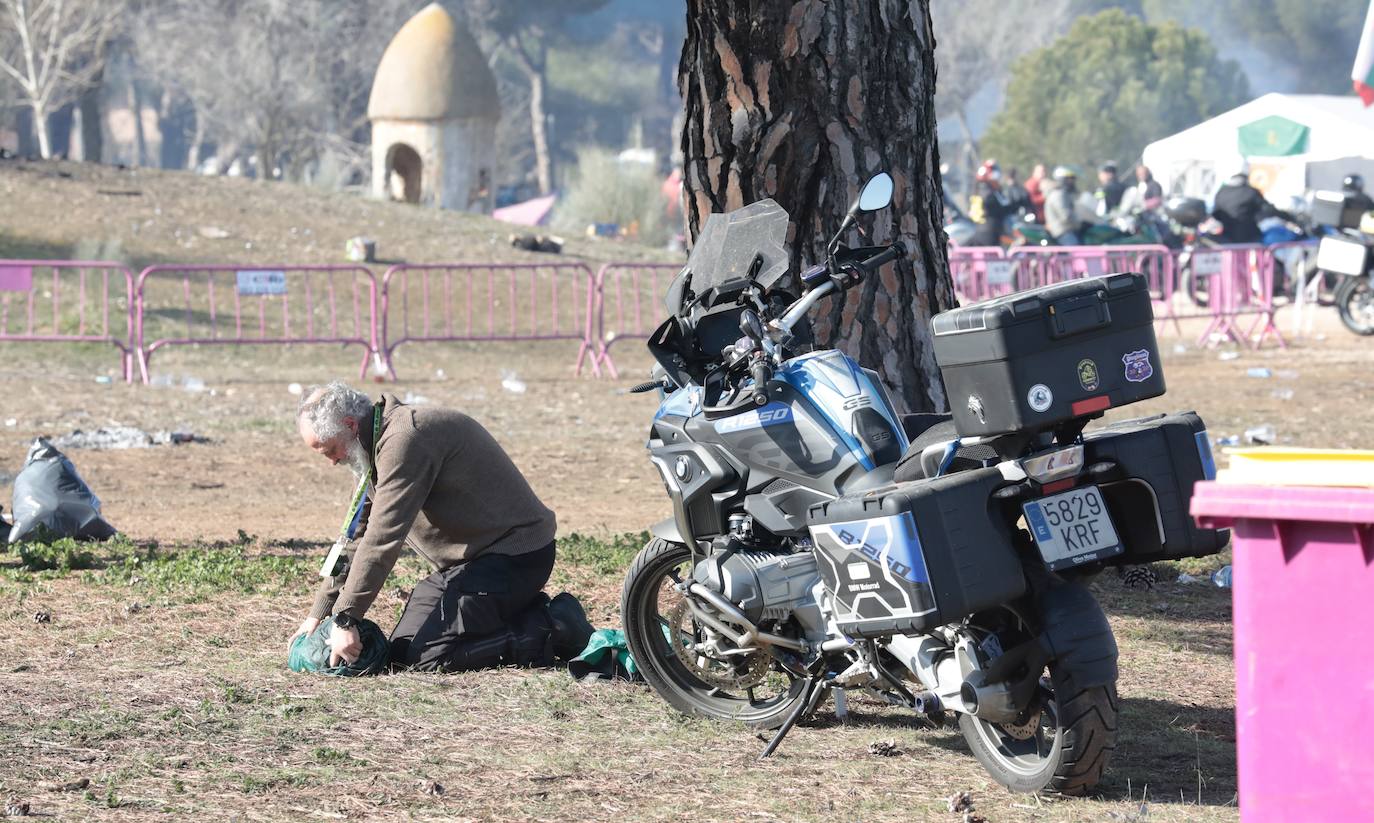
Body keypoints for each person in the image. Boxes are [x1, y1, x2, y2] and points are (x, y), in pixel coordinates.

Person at [289, 382, 593, 672]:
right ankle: (511, 610)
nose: (331, 461)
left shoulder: (404, 440)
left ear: (351, 425)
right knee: (402, 651)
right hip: (470, 564)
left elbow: (382, 538)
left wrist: (346, 619)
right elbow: (356, 534)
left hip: (514, 556)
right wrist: (320, 612)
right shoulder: (370, 448)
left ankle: (553, 625)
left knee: (428, 656)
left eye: (329, 450)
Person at [1211, 167, 1287, 245]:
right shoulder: (1251, 192)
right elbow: (1268, 209)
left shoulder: (1221, 193)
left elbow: (1215, 215)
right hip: (1250, 239)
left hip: (1228, 240)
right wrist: (1288, 216)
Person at [968, 159, 1017, 246]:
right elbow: (1000, 208)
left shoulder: (985, 190)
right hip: (988, 231)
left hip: (987, 230)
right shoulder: (987, 192)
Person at [1044, 166, 1086, 245]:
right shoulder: (1059, 195)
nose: (1073, 181)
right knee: (1077, 252)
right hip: (1063, 231)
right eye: (1070, 179)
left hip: (1068, 229)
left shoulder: (1063, 194)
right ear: (1063, 180)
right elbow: (1066, 216)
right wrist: (1080, 223)